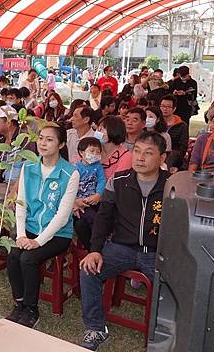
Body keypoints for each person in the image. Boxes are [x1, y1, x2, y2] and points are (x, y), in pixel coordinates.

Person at [78, 132, 168, 351]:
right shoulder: (118, 180)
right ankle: (96, 328)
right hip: (121, 247)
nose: (140, 158)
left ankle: (164, 333)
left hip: (157, 252)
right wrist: (95, 249)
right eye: (136, 151)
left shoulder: (172, 186)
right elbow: (103, 218)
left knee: (174, 285)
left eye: (148, 153)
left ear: (162, 158)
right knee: (89, 269)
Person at [6, 125, 79, 328]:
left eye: (49, 140)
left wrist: (37, 241)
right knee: (13, 255)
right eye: (40, 138)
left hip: (57, 233)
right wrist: (21, 236)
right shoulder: (28, 167)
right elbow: (21, 205)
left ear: (61, 144)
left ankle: (31, 309)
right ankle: (19, 303)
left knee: (28, 258)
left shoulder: (70, 173)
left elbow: (62, 216)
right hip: (29, 227)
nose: (43, 143)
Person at [0, 106, 31, 199]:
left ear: (8, 122)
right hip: (4, 183)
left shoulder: (25, 140)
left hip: (22, 185)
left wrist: (14, 192)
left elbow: (28, 169)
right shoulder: (1, 143)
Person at [72, 137, 106, 251]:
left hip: (95, 200)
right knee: (92, 218)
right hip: (81, 203)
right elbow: (70, 187)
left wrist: (98, 194)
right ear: (81, 152)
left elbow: (102, 181)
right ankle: (96, 245)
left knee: (104, 215)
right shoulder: (75, 168)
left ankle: (98, 244)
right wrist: (75, 200)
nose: (95, 154)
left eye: (98, 152)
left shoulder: (98, 167)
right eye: (92, 151)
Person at [160, 95, 188, 173]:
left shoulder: (182, 126)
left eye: (168, 107)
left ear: (174, 109)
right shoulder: (156, 123)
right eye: (162, 106)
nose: (164, 109)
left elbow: (183, 148)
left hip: (173, 156)